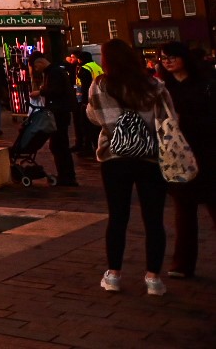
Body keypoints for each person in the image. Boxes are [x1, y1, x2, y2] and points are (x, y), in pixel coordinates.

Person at [88, 39, 173, 296]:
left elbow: (100, 118)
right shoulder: (154, 85)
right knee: (154, 219)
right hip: (150, 158)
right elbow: (169, 118)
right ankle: (154, 278)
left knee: (118, 216)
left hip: (115, 157)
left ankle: (114, 275)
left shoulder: (101, 84)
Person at [158, 42, 216, 278]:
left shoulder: (206, 84)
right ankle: (182, 264)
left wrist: (187, 120)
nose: (168, 61)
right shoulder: (164, 89)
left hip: (207, 151)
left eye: (172, 56)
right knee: (183, 211)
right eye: (163, 58)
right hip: (178, 154)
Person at [39, 54, 79, 186]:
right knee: (59, 145)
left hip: (59, 113)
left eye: (35, 66)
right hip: (61, 112)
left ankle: (67, 176)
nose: (35, 69)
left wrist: (41, 91)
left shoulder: (53, 72)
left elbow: (56, 91)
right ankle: (66, 175)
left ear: (40, 62)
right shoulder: (54, 71)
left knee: (59, 145)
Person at [71, 49, 102, 156]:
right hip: (99, 98)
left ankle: (87, 147)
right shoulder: (97, 67)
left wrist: (83, 101)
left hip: (86, 100)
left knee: (86, 125)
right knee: (96, 125)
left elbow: (84, 87)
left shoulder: (84, 69)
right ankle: (97, 145)